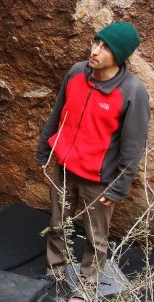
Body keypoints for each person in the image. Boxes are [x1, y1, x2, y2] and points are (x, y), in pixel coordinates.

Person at [36, 21, 149, 283]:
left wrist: (119, 187)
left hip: (99, 180)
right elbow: (57, 114)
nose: (95, 51)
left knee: (95, 236)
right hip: (64, 169)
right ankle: (54, 273)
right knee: (58, 225)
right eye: (96, 42)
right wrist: (44, 150)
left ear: (119, 56)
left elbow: (133, 146)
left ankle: (88, 285)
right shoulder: (76, 73)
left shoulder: (132, 92)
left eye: (105, 48)